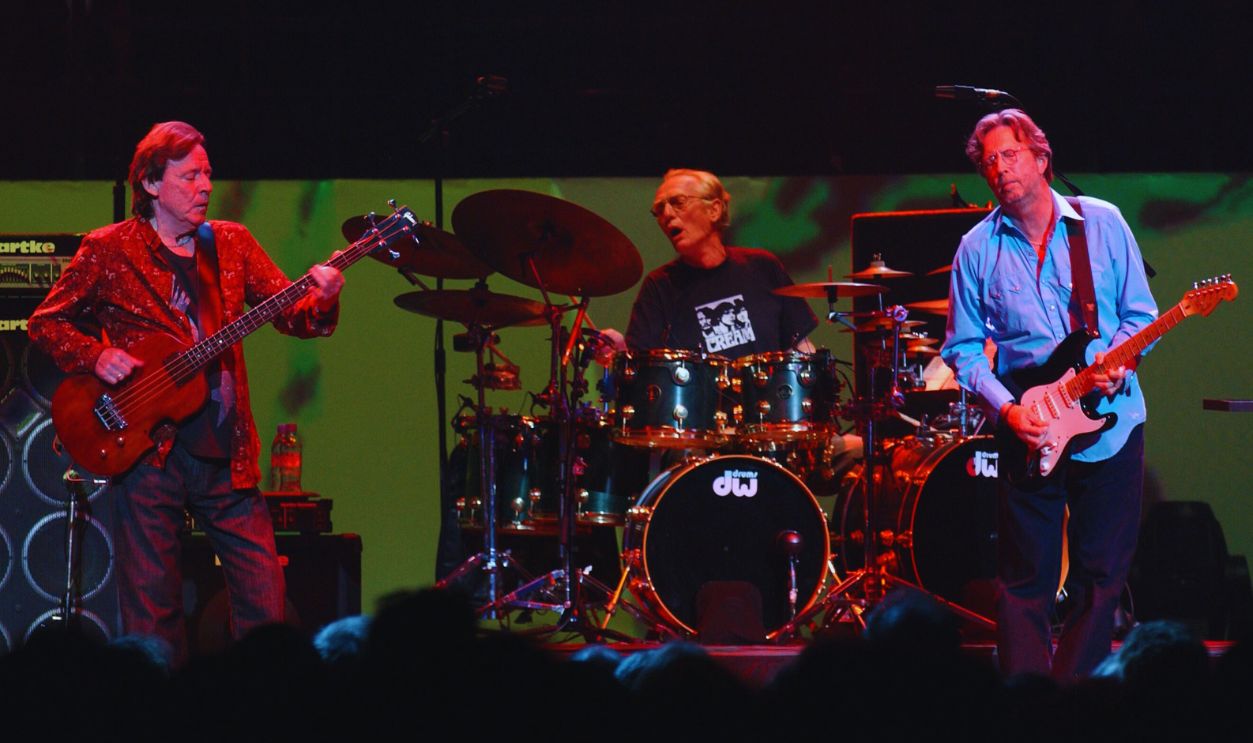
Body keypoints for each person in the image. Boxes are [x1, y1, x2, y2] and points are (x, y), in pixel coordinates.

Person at [28, 121, 344, 665]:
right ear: (152, 183)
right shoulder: (109, 250)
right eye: (190, 175)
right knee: (153, 618)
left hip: (228, 451)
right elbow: (46, 324)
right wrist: (96, 356)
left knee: (265, 606)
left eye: (208, 176)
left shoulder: (232, 243)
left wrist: (322, 299)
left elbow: (290, 314)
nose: (204, 186)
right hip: (148, 449)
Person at [940, 109, 1157, 681]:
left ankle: (1072, 698)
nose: (999, 169)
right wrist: (1009, 411)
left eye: (1010, 155)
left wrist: (1124, 359)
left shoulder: (1102, 224)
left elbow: (1140, 315)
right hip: (1029, 426)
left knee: (1101, 572)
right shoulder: (975, 248)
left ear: (1041, 159)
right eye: (988, 161)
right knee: (1024, 578)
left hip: (1112, 422)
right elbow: (962, 350)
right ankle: (1026, 702)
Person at [624, 169, 817, 355]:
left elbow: (800, 346)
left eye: (678, 202)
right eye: (659, 209)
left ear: (714, 210)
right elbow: (640, 366)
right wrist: (618, 353)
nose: (666, 214)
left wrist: (806, 381)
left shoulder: (762, 266)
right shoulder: (659, 287)